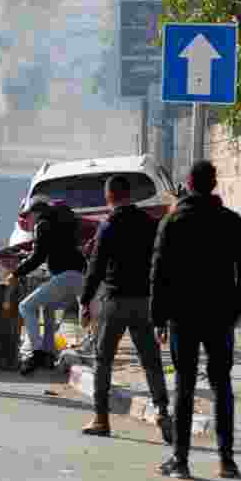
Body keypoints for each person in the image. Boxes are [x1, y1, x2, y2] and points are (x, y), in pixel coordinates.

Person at [151, 160, 241, 480]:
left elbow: (159, 274)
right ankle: (227, 461)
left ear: (188, 182)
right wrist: (237, 308)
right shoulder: (232, 222)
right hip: (220, 317)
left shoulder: (173, 221)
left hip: (182, 317)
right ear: (213, 184)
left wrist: (158, 317)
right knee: (221, 384)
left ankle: (180, 461)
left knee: (184, 386)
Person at [78, 175, 172, 443]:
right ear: (130, 195)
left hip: (115, 301)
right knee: (151, 361)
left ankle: (101, 419)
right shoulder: (149, 223)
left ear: (109, 197)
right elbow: (160, 263)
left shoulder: (108, 225)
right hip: (144, 302)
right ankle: (163, 412)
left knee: (103, 360)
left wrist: (85, 301)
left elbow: (96, 267)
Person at [5, 197, 87, 375]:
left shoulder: (41, 225)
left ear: (36, 213)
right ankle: (48, 351)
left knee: (25, 306)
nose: (28, 220)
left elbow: (38, 256)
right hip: (79, 274)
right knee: (49, 308)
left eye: (28, 216)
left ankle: (37, 352)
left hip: (65, 276)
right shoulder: (60, 222)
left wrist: (16, 273)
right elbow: (52, 248)